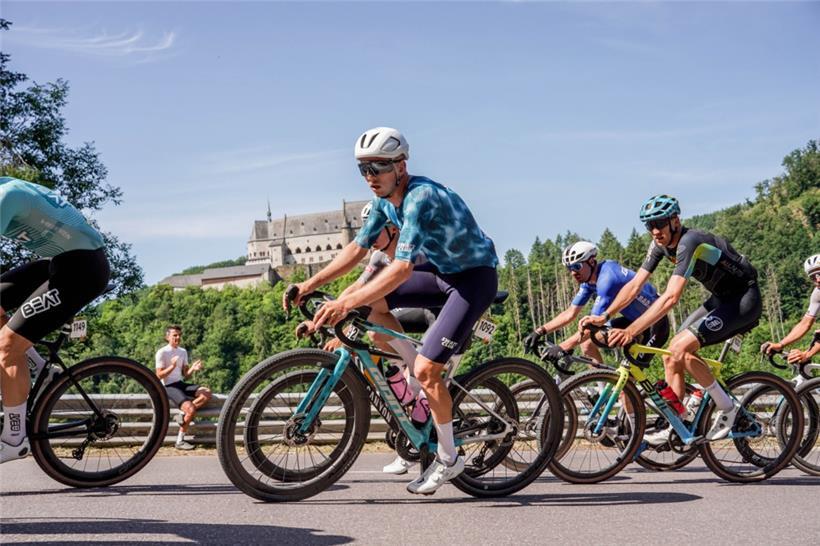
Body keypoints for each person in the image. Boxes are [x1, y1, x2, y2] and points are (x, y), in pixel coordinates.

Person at [284, 127, 499, 495]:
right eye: (363, 169)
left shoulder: (420, 197)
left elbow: (399, 269)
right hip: (440, 273)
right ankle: (417, 371)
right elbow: (356, 249)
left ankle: (449, 458)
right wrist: (309, 286)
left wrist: (343, 302)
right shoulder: (384, 202)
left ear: (401, 165)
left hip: (473, 279)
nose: (371, 177)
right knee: (373, 305)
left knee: (427, 369)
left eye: (379, 167)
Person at [581, 194, 761, 443]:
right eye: (649, 225)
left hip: (744, 299)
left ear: (675, 220)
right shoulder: (658, 245)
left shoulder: (690, 241)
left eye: (660, 223)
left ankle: (730, 410)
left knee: (681, 348)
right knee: (671, 356)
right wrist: (604, 316)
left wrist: (631, 330)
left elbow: (670, 297)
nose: (655, 231)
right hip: (720, 299)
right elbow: (634, 286)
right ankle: (679, 423)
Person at [0, 176, 110, 463]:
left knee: (6, 348)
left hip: (82, 271)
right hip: (59, 263)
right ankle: (40, 368)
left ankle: (14, 440)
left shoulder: (7, 196)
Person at [524, 241, 668, 366]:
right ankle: (602, 390)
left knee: (626, 383)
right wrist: (540, 331)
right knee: (587, 345)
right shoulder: (589, 282)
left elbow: (592, 325)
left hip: (655, 323)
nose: (573, 273)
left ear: (591, 262)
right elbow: (570, 313)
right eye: (569, 269)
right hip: (632, 320)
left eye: (577, 267)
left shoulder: (607, 279)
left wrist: (562, 347)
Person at [155, 325, 211, 450]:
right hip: (168, 386)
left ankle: (181, 413)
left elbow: (185, 375)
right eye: (175, 335)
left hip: (180, 383)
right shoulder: (162, 352)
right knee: (191, 409)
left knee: (206, 393)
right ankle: (180, 441)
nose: (178, 337)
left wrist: (193, 369)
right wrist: (172, 366)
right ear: (167, 337)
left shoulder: (183, 351)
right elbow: (159, 375)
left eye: (179, 335)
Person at [761, 254, 820, 364]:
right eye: (813, 277)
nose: (818, 279)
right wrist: (780, 344)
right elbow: (805, 324)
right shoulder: (818, 293)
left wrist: (807, 354)